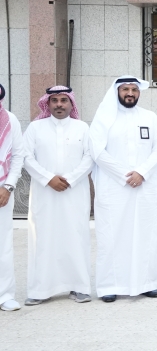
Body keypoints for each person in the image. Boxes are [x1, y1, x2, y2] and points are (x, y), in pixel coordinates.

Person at [89, 77, 157, 303]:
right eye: (125, 89)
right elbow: (97, 151)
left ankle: (147, 283)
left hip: (144, 187)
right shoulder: (103, 118)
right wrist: (125, 174)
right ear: (117, 92)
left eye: (134, 89)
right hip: (113, 188)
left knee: (146, 234)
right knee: (111, 235)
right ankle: (109, 285)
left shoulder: (149, 117)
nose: (130, 93)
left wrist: (141, 172)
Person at [22, 86, 93, 306]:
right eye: (55, 101)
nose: (59, 104)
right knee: (43, 238)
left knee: (76, 237)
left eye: (64, 100)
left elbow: (90, 157)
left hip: (75, 192)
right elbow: (25, 157)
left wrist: (70, 178)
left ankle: (79, 287)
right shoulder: (35, 128)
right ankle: (40, 289)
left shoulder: (82, 128)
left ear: (72, 104)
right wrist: (48, 178)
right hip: (45, 193)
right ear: (47, 104)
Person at [0, 84, 26, 312]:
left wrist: (8, 186)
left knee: (3, 243)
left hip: (1, 189)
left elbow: (18, 155)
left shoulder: (10, 119)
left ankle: (4, 294)